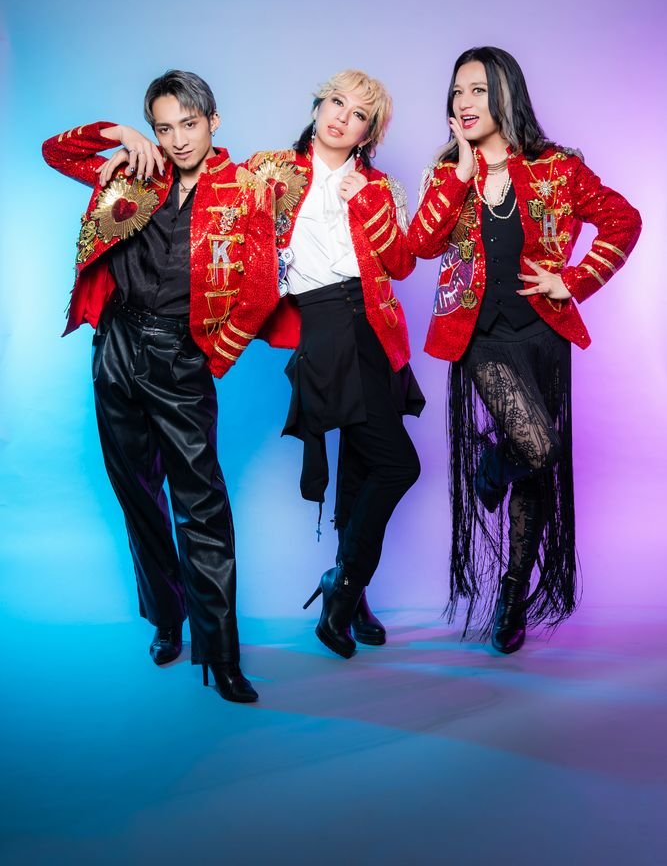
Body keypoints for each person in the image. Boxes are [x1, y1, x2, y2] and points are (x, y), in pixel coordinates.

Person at [42, 70, 278, 701]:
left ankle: (221, 654)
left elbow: (261, 290)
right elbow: (55, 151)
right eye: (164, 127)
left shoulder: (245, 189)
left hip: (180, 357)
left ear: (213, 122)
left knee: (201, 505)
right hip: (116, 346)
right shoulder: (133, 171)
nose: (177, 140)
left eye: (189, 125)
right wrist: (119, 134)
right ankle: (168, 616)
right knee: (138, 495)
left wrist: (211, 357)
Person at [407, 46, 641, 653]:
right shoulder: (446, 172)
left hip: (543, 336)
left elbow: (624, 220)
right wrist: (459, 174)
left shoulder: (556, 167)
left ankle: (512, 597)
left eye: (478, 90)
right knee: (537, 445)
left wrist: (575, 279)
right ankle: (492, 466)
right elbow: (420, 247)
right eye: (457, 91)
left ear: (507, 94)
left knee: (536, 470)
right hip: (480, 337)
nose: (464, 102)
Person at [249, 69, 424, 658]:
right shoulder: (271, 172)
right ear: (317, 104)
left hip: (375, 328)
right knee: (398, 465)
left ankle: (351, 590)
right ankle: (344, 586)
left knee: (365, 466)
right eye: (336, 102)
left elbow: (402, 264)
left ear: (367, 133)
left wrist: (367, 202)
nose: (341, 118)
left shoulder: (379, 186)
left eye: (358, 115)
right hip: (322, 326)